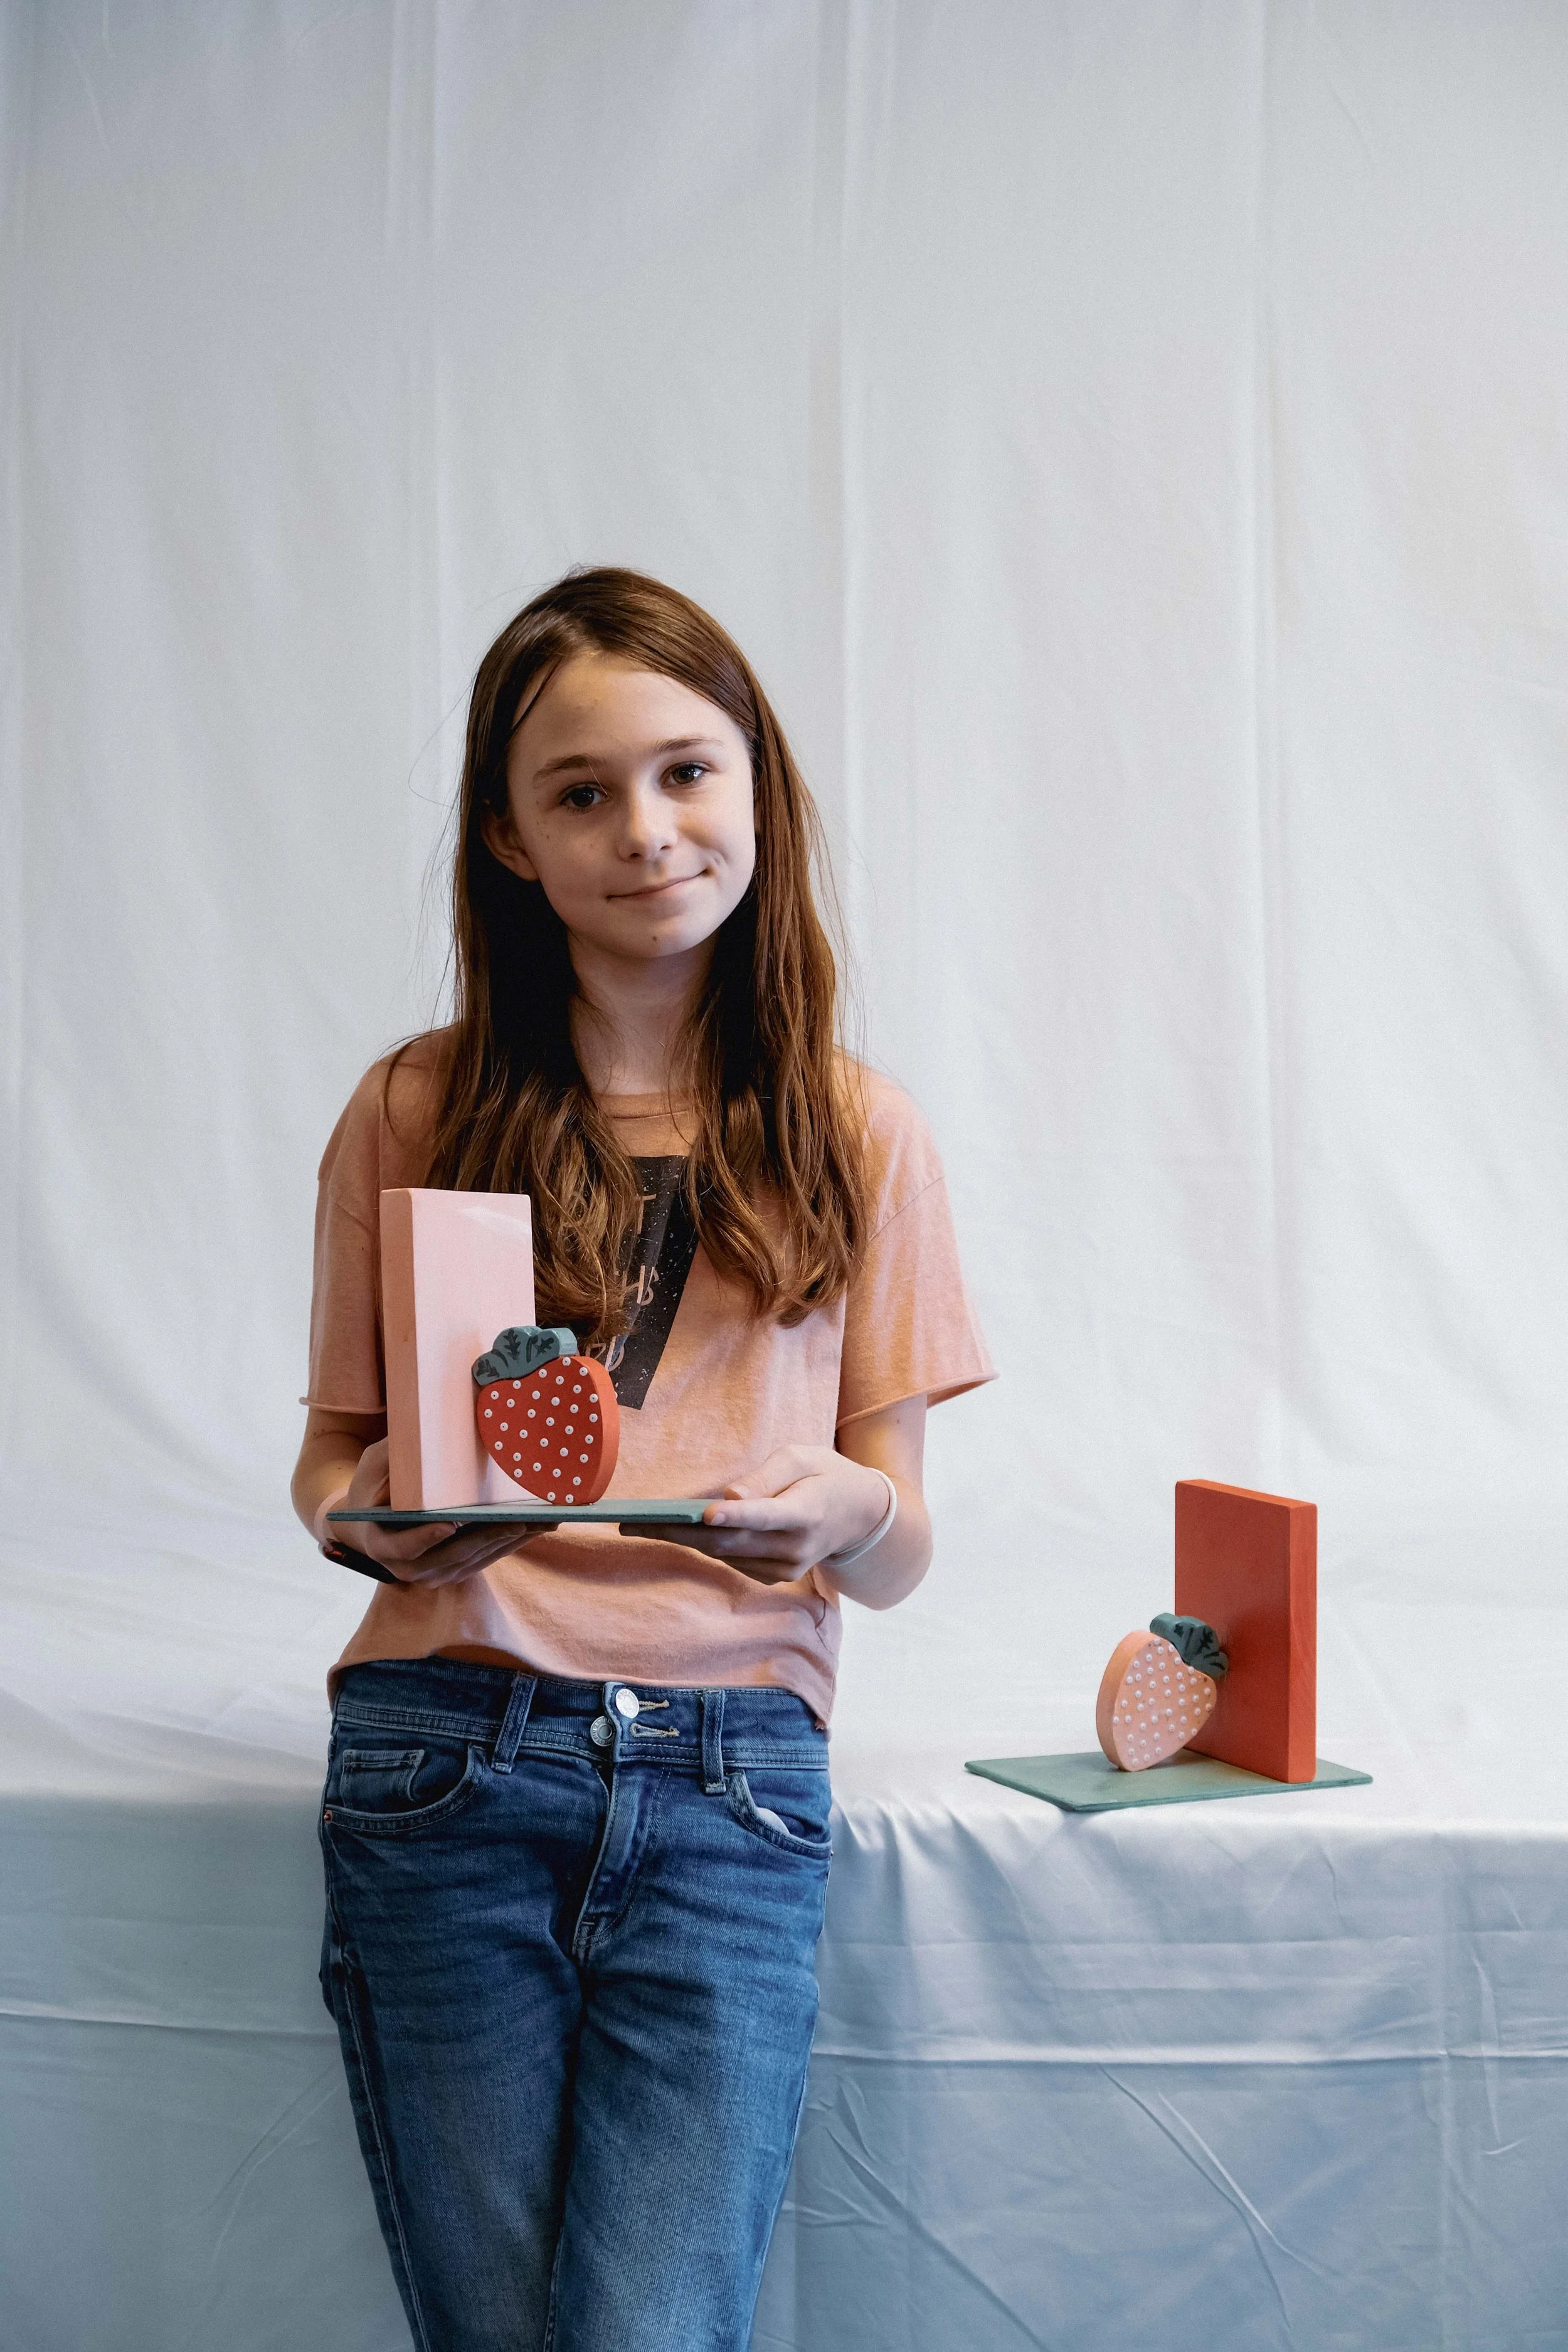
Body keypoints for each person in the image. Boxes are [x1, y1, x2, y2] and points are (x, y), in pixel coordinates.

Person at [290, 567, 992, 2352]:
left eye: (686, 772)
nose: (646, 830)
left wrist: (847, 1513)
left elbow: (899, 1539)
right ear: (510, 840)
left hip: (737, 1774)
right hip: (446, 1741)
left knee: (647, 2330)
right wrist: (386, 1533)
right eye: (580, 791)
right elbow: (329, 1465)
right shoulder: (413, 1106)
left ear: (757, 784)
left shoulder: (857, 1132)